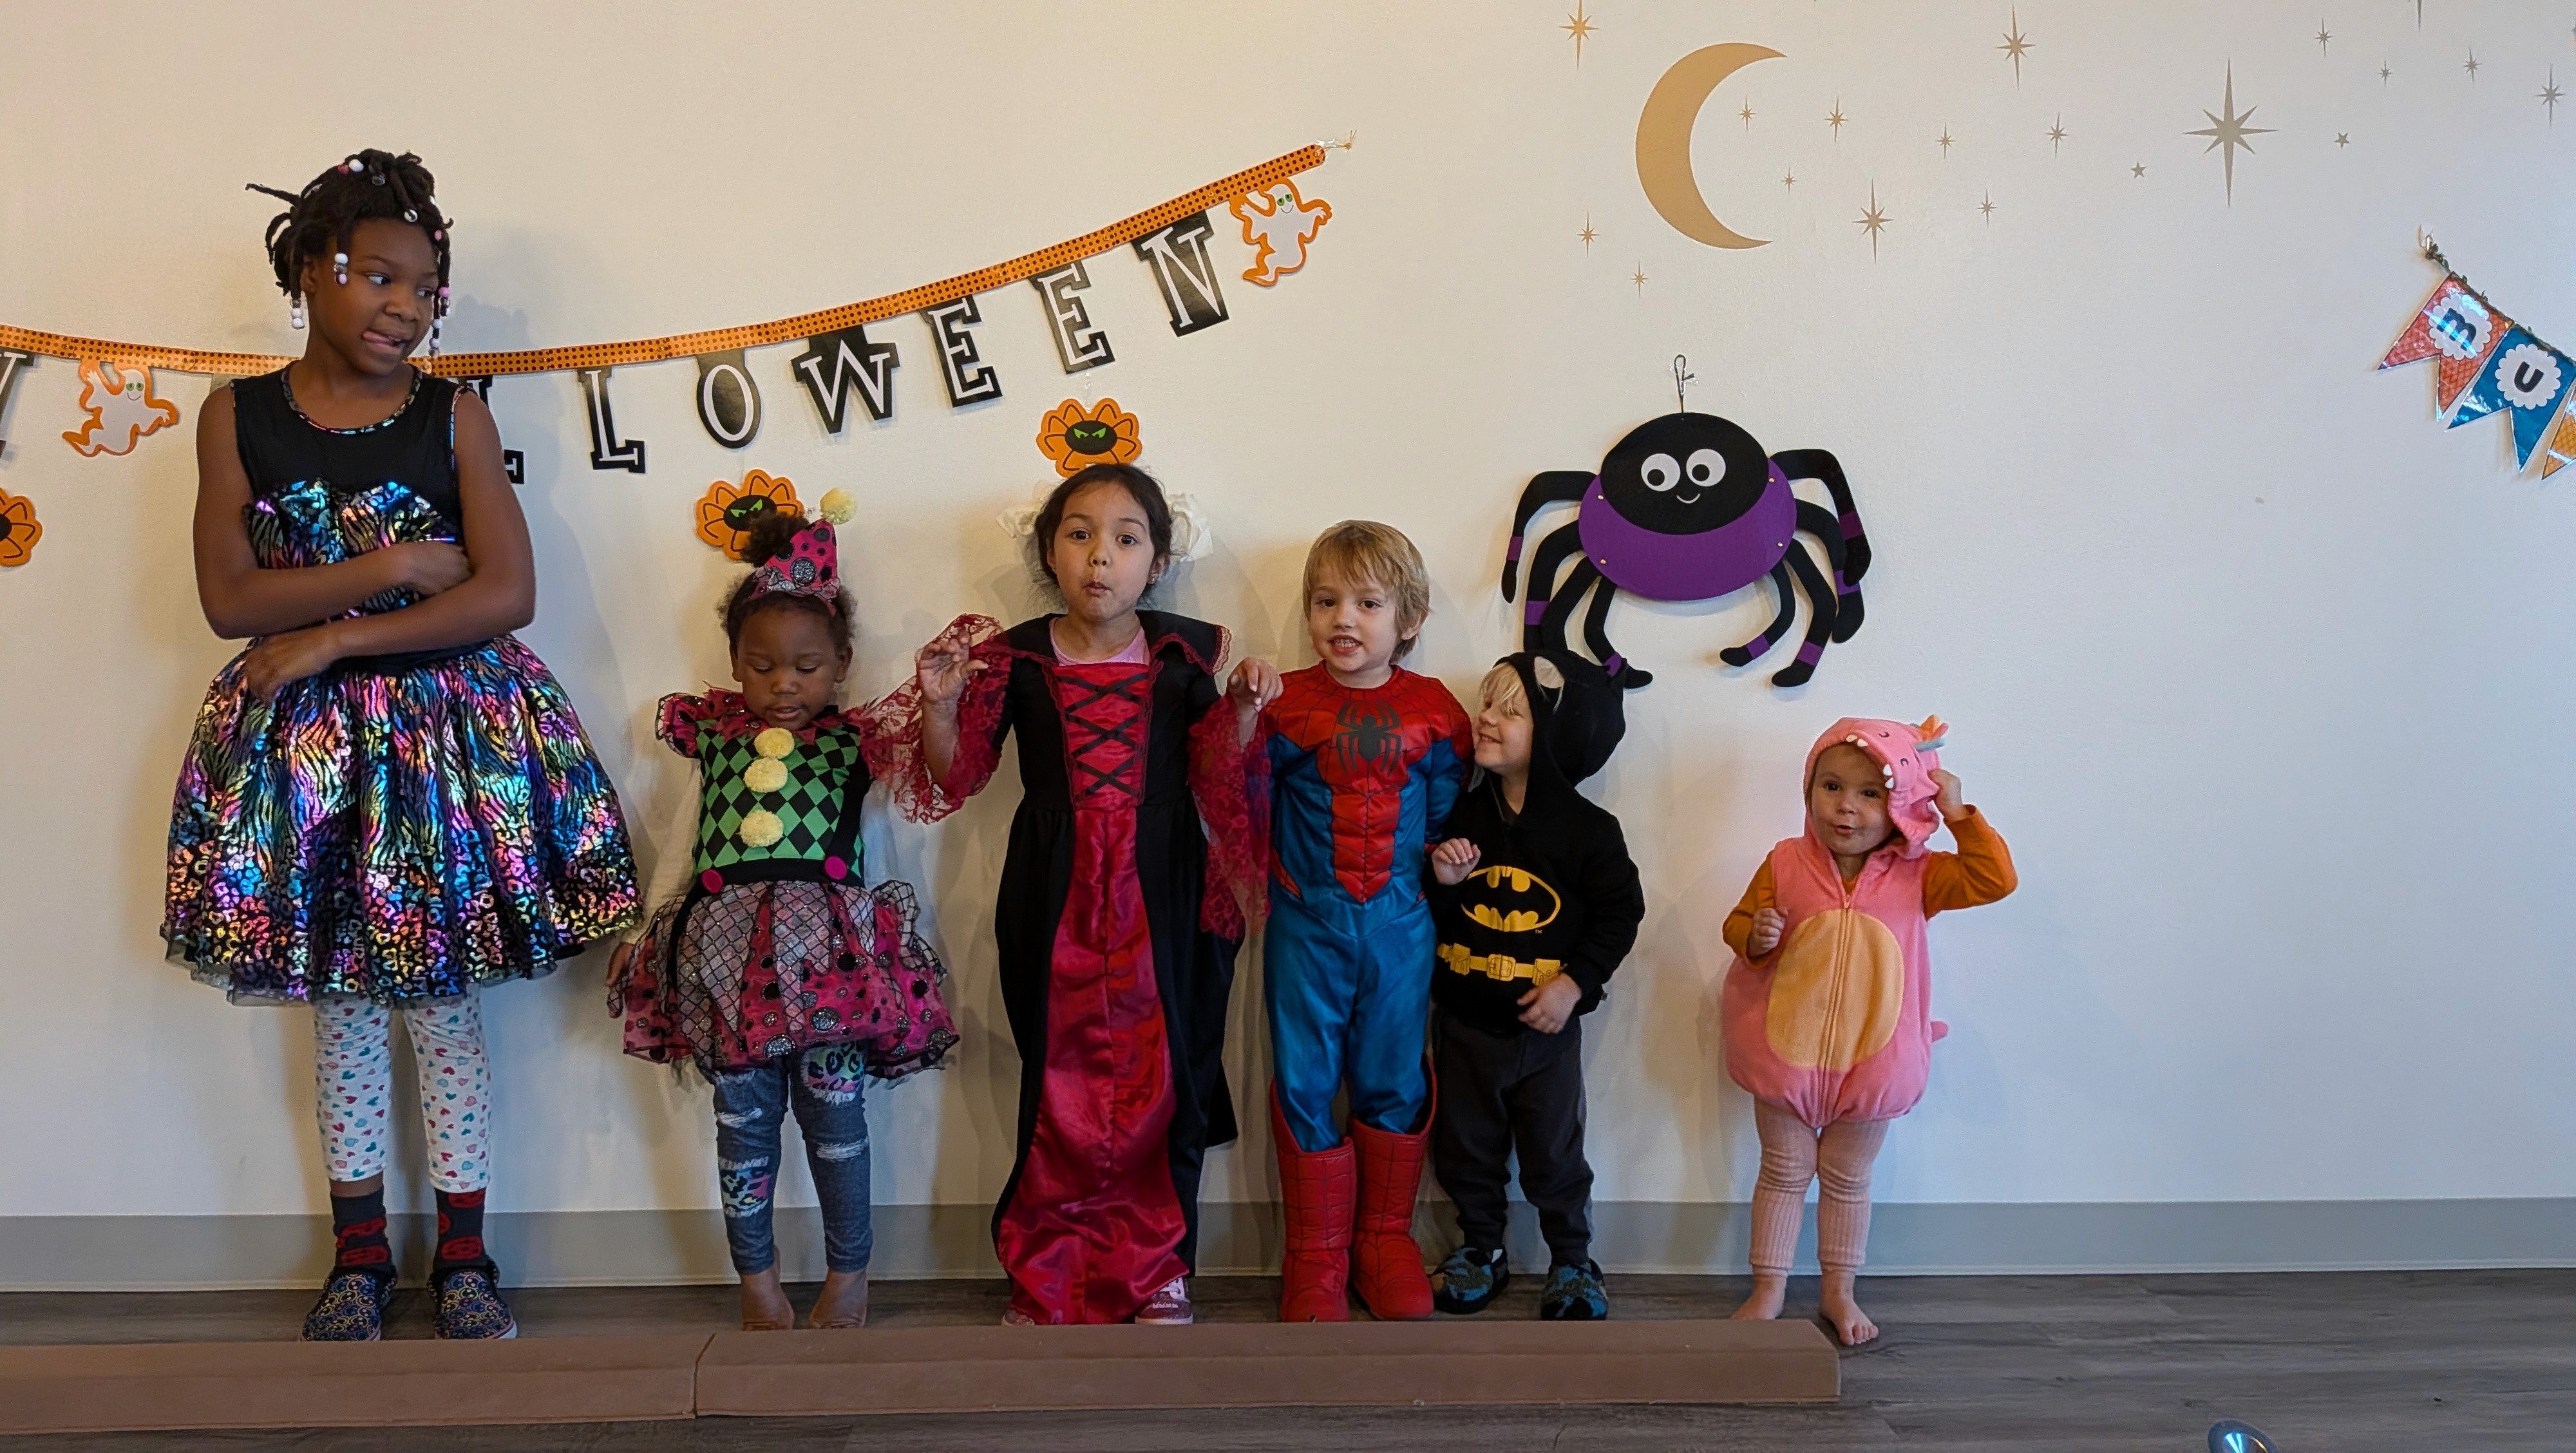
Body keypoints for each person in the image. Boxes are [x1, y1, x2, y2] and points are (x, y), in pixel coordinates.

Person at [164, 149, 636, 1342]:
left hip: (447, 749)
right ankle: (361, 1255)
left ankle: (465, 1257)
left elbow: (505, 594)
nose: (404, 308)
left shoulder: (453, 414)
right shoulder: (236, 417)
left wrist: (331, 635)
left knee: (441, 1001)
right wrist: (389, 569)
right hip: (309, 761)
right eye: (378, 276)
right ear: (312, 270)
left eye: (425, 289)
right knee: (341, 1009)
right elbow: (229, 599)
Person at [866, 462, 1267, 1325]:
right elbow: (958, 777)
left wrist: (1239, 707)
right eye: (1079, 534)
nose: (1100, 556)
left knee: (1163, 1073)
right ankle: (1051, 1269)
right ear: (1050, 551)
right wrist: (940, 708)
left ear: (1158, 562)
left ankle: (1159, 1268)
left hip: (1161, 885)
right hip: (1053, 889)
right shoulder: (1014, 658)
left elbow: (1219, 774)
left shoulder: (1186, 653)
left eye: (1126, 538)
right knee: (1060, 1076)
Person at [608, 505, 957, 1331]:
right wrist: (640, 934)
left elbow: (887, 850)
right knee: (743, 1128)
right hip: (726, 972)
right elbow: (683, 850)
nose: (784, 684)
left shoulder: (856, 747)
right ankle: (756, 1282)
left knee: (838, 1124)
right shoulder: (715, 744)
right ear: (735, 663)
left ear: (841, 665)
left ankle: (850, 1273)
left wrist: (899, 947)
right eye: (762, 667)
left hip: (833, 969)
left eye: (806, 666)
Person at [1721, 718, 2016, 1344]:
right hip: (1786, 1054)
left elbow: (1995, 880)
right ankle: (1768, 1288)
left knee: (1848, 1179)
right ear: (1809, 789)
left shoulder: (1922, 875)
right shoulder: (1784, 862)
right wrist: (1754, 934)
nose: (1846, 807)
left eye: (1870, 793)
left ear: (1902, 802)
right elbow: (1739, 924)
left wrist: (1958, 815)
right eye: (1830, 786)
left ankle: (1839, 1290)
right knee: (1782, 1171)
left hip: (1873, 1061)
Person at [1256, 521, 1472, 1322]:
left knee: (1395, 1075)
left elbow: (1446, 808)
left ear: (1407, 619)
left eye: (1367, 603)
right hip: (1305, 924)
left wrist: (1444, 865)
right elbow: (1241, 798)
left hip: (1400, 924)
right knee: (1304, 1078)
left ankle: (1384, 1240)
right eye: (1326, 602)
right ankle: (1314, 1253)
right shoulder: (1284, 704)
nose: (1343, 618)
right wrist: (1241, 711)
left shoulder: (1435, 710)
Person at [1425, 651, 1642, 1320]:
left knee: (1553, 1152)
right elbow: (1433, 914)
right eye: (1487, 704)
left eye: (1510, 711)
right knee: (1464, 1145)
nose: (1486, 719)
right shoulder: (1462, 817)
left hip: (1543, 1034)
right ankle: (1481, 1248)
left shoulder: (1589, 832)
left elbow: (1619, 915)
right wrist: (1444, 882)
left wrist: (1574, 985)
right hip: (1463, 1023)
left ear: (1553, 736)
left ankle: (1572, 1259)